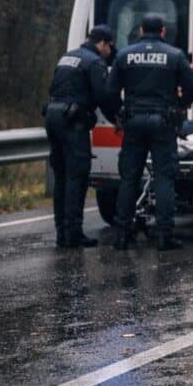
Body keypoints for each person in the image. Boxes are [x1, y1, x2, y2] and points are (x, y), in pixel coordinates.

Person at [107, 13, 193, 251]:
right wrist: (179, 107)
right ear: (162, 32)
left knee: (129, 178)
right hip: (163, 122)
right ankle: (164, 235)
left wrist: (119, 114)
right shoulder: (174, 55)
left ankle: (122, 235)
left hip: (133, 121)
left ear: (140, 30)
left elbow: (110, 92)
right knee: (164, 178)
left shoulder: (124, 55)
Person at [44, 25, 118, 248]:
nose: (110, 52)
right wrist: (118, 119)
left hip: (53, 117)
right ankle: (74, 234)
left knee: (62, 178)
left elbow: (53, 88)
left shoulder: (67, 57)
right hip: (72, 123)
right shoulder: (95, 62)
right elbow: (103, 97)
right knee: (77, 176)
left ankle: (61, 233)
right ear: (102, 43)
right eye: (110, 47)